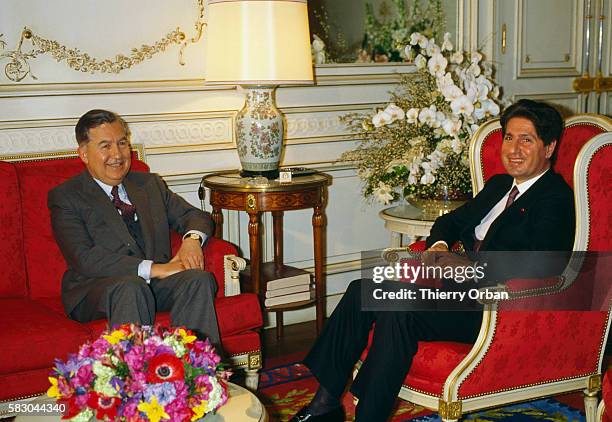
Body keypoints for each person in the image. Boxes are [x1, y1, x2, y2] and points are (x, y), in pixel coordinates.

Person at [289, 99, 576, 422]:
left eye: (527, 139)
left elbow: (543, 264)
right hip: (453, 291)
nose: (514, 149)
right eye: (509, 137)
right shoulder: (499, 185)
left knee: (397, 310)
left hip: (496, 308)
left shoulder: (556, 198)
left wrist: (470, 267)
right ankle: (324, 404)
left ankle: (369, 415)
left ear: (549, 147)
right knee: (361, 291)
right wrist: (439, 245)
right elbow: (451, 221)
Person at [48, 109, 221, 349]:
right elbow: (84, 258)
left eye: (121, 143)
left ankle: (197, 372)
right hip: (96, 288)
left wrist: (191, 240)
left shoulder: (149, 185)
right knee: (131, 286)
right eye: (105, 146)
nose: (117, 154)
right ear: (84, 154)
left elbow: (195, 216)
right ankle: (135, 380)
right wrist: (154, 269)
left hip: (154, 285)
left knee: (198, 280)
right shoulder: (67, 196)